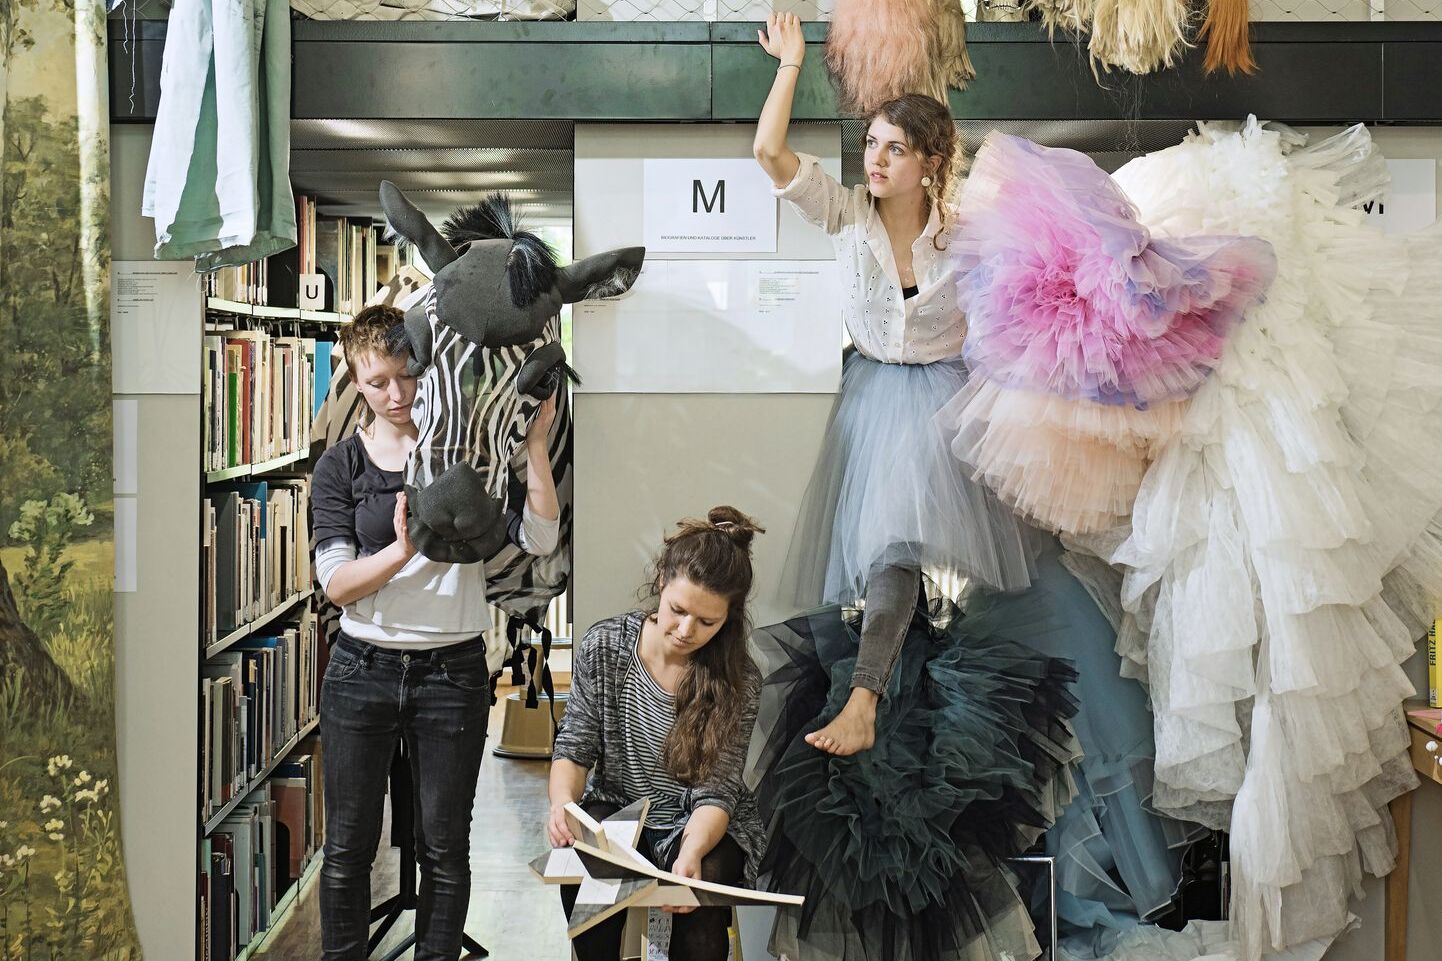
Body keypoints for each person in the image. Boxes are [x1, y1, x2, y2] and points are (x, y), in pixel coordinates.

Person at [753, 13, 1034, 757]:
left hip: (946, 399)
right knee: (890, 550)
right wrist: (791, 63)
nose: (875, 159)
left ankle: (873, 700)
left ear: (931, 163)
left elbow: (1028, 288)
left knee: (914, 551)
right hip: (874, 398)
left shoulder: (968, 233)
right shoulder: (847, 214)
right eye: (872, 143)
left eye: (895, 149)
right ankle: (866, 697)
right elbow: (768, 152)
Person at [310, 304, 560, 961]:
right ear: (355, 382)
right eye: (377, 381)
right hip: (360, 670)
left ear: (427, 368)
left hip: (452, 673)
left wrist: (535, 449)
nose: (395, 394)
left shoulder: (464, 456)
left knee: (445, 847)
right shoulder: (340, 467)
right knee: (348, 846)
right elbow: (336, 584)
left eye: (407, 375)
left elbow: (539, 538)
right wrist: (403, 549)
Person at [548, 507, 766, 961]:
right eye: (678, 611)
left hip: (698, 818)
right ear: (661, 581)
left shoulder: (738, 680)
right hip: (620, 803)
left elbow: (717, 791)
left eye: (707, 622)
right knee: (590, 878)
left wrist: (690, 854)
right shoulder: (607, 646)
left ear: (729, 617)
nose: (686, 631)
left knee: (703, 893)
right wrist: (563, 806)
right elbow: (575, 744)